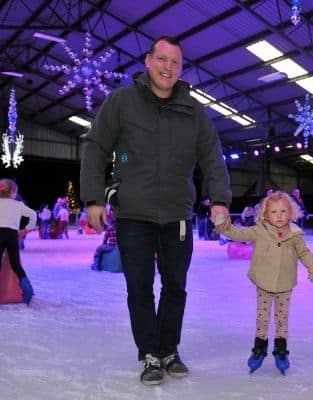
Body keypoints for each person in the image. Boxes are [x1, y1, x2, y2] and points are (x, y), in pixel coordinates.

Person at [80, 36, 232, 386]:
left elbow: (212, 156)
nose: (168, 67)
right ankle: (149, 352)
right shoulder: (122, 102)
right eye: (162, 59)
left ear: (181, 69)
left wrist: (220, 198)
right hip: (134, 213)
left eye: (175, 62)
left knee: (176, 286)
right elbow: (96, 146)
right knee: (139, 286)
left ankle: (168, 349)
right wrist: (92, 198)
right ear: (148, 61)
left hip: (177, 215)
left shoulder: (194, 111)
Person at [218, 191, 313, 375]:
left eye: (283, 211)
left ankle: (281, 350)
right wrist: (224, 227)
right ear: (265, 214)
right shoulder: (259, 230)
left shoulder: (295, 234)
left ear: (291, 213)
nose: (279, 216)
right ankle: (259, 348)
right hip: (264, 282)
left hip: (285, 283)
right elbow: (240, 234)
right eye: (274, 212)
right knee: (263, 318)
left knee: (282, 318)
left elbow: (304, 252)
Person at [0, 179, 37, 305]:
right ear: (13, 192)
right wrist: (27, 229)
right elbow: (33, 215)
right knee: (16, 264)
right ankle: (27, 288)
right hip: (12, 235)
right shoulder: (18, 205)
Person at [90, 206, 117, 271]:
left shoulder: (110, 227)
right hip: (118, 246)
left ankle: (96, 266)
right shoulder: (120, 227)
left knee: (98, 249)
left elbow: (105, 239)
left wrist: (103, 244)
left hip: (111, 246)